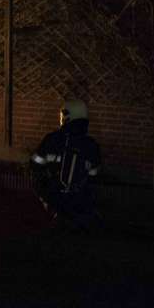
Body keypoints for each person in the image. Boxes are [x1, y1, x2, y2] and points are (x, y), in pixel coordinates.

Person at [30, 98, 101, 229]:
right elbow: (94, 179)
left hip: (53, 202)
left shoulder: (51, 139)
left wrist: (44, 197)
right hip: (79, 205)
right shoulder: (92, 146)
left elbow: (34, 166)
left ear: (66, 117)